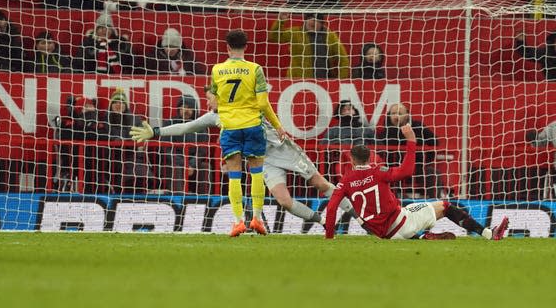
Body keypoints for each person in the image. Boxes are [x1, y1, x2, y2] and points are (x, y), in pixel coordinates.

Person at [130, 85, 357, 226]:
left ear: (221, 96)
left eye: (210, 98)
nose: (208, 102)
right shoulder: (213, 117)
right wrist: (155, 132)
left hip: (282, 149)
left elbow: (263, 93)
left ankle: (359, 215)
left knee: (319, 183)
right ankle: (322, 223)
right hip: (263, 160)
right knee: (284, 202)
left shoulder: (246, 105)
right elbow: (186, 127)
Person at [325, 123, 510, 240]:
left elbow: (332, 207)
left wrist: (329, 237)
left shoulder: (345, 181)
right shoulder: (378, 172)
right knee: (445, 206)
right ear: (369, 157)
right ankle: (488, 234)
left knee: (410, 209)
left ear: (351, 159)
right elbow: (407, 171)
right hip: (401, 223)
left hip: (383, 235)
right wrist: (411, 142)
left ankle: (424, 237)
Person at [211, 29, 285, 236]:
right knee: (257, 174)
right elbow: (263, 103)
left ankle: (237, 222)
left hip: (230, 127)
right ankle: (257, 219)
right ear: (246, 46)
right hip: (252, 126)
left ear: (227, 47)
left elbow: (215, 101)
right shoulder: (255, 69)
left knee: (234, 175)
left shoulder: (217, 70)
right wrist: (278, 125)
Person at [375, 103, 443, 198]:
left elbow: (434, 142)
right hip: (393, 169)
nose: (396, 116)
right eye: (393, 113)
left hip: (417, 168)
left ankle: (434, 202)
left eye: (399, 113)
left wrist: (426, 159)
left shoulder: (418, 126)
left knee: (433, 173)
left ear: (407, 115)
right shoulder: (383, 132)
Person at [100, 88, 153, 194]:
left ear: (126, 105)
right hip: (113, 158)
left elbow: (142, 137)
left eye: (121, 103)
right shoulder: (104, 119)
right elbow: (102, 136)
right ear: (111, 105)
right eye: (115, 102)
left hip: (132, 156)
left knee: (139, 173)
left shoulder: (135, 119)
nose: (119, 105)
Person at [269, 12, 350, 79]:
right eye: (310, 19)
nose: (313, 22)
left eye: (316, 20)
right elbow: (274, 37)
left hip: (325, 81)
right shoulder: (295, 32)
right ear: (305, 20)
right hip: (298, 80)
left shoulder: (330, 36)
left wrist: (340, 80)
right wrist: (281, 21)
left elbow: (343, 59)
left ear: (322, 24)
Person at [159, 94, 211, 194]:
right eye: (183, 107)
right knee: (176, 168)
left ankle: (204, 198)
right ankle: (178, 199)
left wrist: (191, 164)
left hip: (193, 163)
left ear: (194, 109)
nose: (186, 110)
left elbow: (202, 151)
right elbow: (166, 149)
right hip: (175, 162)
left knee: (206, 167)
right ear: (179, 109)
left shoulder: (201, 126)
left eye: (189, 108)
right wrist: (184, 164)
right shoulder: (169, 124)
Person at [142, 28, 206, 76]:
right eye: (167, 46)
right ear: (162, 45)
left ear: (179, 46)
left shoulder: (188, 57)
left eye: (173, 46)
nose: (170, 49)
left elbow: (200, 74)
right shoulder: (152, 58)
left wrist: (187, 75)